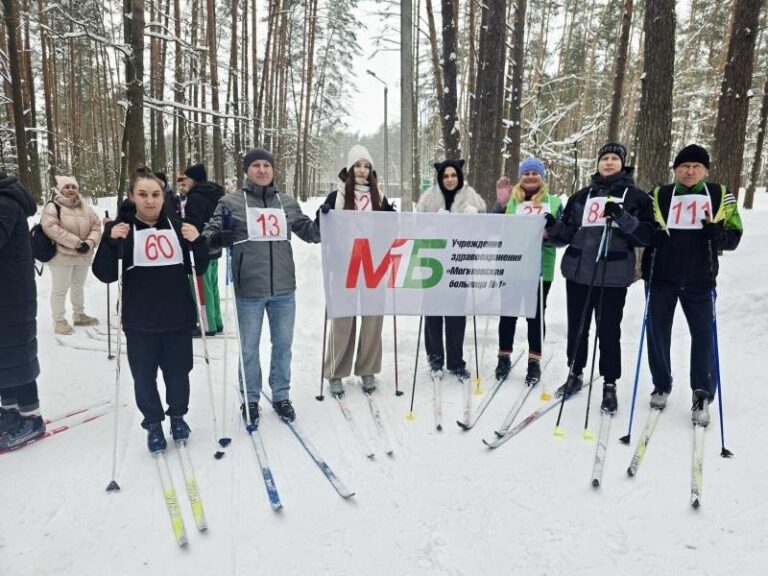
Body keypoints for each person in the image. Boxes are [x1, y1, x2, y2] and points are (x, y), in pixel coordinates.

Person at [92, 167, 210, 452]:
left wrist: (198, 241)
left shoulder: (178, 227)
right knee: (144, 377)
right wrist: (110, 242)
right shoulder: (123, 231)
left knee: (178, 373)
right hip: (140, 320)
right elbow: (104, 274)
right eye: (143, 194)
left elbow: (200, 267)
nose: (149, 200)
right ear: (132, 196)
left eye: (155, 194)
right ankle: (153, 424)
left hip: (177, 317)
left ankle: (178, 417)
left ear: (163, 196)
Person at [203, 148, 321, 424]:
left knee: (283, 345)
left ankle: (281, 394)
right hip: (249, 289)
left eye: (266, 165)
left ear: (273, 169)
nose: (262, 170)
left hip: (284, 288)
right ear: (247, 170)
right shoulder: (231, 202)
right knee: (249, 347)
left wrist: (325, 218)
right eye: (255, 165)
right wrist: (219, 238)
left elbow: (311, 233)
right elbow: (209, 236)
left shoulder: (286, 202)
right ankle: (251, 398)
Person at [547, 142, 655, 413]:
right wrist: (551, 228)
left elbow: (646, 236)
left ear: (623, 164)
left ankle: (609, 383)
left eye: (614, 159)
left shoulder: (636, 197)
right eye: (604, 158)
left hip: (612, 275)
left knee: (608, 330)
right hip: (578, 273)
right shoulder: (581, 196)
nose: (608, 162)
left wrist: (622, 217)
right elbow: (566, 233)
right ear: (597, 163)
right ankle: (575, 372)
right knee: (577, 327)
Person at [642, 144, 743, 426]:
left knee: (703, 335)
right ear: (675, 169)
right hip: (661, 277)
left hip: (700, 278)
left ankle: (702, 393)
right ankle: (661, 384)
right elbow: (643, 228)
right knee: (657, 332)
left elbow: (734, 235)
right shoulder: (658, 194)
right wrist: (651, 235)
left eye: (696, 166)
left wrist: (716, 234)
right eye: (684, 166)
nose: (689, 171)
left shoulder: (720, 194)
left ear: (705, 170)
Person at [319, 145, 396, 397]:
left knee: (373, 318)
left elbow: (390, 231)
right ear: (350, 169)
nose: (362, 170)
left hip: (372, 264)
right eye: (358, 166)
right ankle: (335, 371)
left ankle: (367, 369)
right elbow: (320, 230)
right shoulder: (337, 196)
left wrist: (392, 218)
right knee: (343, 319)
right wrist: (323, 215)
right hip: (345, 264)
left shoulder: (380, 197)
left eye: (366, 166)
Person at [492, 157, 562, 384]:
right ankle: (504, 357)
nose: (530, 177)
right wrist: (499, 205)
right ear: (520, 177)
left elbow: (563, 238)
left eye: (535, 173)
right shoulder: (511, 200)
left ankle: (534, 360)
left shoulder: (553, 202)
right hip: (512, 266)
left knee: (536, 315)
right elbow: (493, 228)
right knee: (508, 314)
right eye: (526, 173)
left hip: (541, 268)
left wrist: (551, 230)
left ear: (542, 177)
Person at [416, 159, 486, 379]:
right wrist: (433, 225)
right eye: (445, 176)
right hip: (433, 262)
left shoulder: (471, 197)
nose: (449, 180)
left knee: (455, 313)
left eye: (453, 175)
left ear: (459, 176)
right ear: (439, 178)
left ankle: (456, 362)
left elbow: (484, 228)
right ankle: (435, 360)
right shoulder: (428, 198)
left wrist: (475, 220)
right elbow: (416, 229)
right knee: (433, 312)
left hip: (458, 262)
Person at [0, 173, 46, 450]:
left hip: (12, 296)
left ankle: (31, 418)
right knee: (4, 357)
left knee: (16, 355)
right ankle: (9, 412)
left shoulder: (5, 203)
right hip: (5, 293)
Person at [41, 176, 102, 335]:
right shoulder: (53, 207)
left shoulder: (86, 208)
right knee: (60, 289)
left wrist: (89, 243)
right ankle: (59, 321)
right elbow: (50, 227)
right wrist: (76, 243)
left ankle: (79, 315)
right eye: (67, 186)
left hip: (83, 254)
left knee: (78, 286)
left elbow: (96, 226)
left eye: (74, 187)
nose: (71, 189)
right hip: (61, 255)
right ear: (60, 189)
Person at [181, 163, 225, 337]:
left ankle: (207, 325)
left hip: (201, 246)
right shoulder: (216, 193)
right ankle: (217, 320)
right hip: (216, 244)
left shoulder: (195, 197)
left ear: (194, 179)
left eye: (186, 178)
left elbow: (194, 223)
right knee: (212, 284)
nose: (184, 182)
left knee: (201, 286)